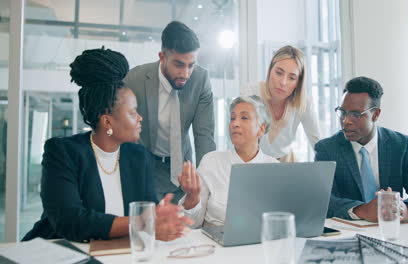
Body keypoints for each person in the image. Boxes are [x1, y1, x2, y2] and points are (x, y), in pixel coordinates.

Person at [22, 48, 192, 242]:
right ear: (107, 121)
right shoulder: (63, 152)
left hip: (118, 254)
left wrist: (169, 218)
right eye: (132, 112)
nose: (140, 118)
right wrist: (143, 222)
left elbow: (150, 214)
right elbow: (70, 221)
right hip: (61, 252)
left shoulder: (138, 156)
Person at [314, 76, 408, 222]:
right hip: (349, 233)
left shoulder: (400, 145)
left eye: (355, 114)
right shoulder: (327, 149)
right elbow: (323, 199)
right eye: (342, 112)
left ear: (376, 114)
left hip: (393, 231)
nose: (346, 121)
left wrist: (406, 209)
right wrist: (363, 210)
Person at [124, 21, 216, 203]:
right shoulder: (134, 79)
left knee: (184, 228)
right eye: (179, 64)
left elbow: (204, 136)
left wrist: (205, 186)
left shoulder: (201, 79)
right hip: (145, 167)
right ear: (162, 57)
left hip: (182, 169)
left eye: (191, 65)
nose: (185, 73)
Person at [177, 96, 278, 227]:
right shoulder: (211, 161)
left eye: (244, 118)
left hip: (260, 244)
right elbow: (190, 224)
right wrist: (192, 197)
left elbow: (279, 222)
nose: (235, 123)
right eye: (232, 118)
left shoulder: (275, 168)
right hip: (215, 242)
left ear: (261, 129)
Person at [242, 45, 321, 162]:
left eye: (292, 78)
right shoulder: (251, 92)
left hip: (286, 162)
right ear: (270, 71)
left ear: (298, 82)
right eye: (279, 73)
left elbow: (317, 143)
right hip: (253, 161)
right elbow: (241, 134)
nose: (283, 82)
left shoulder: (305, 103)